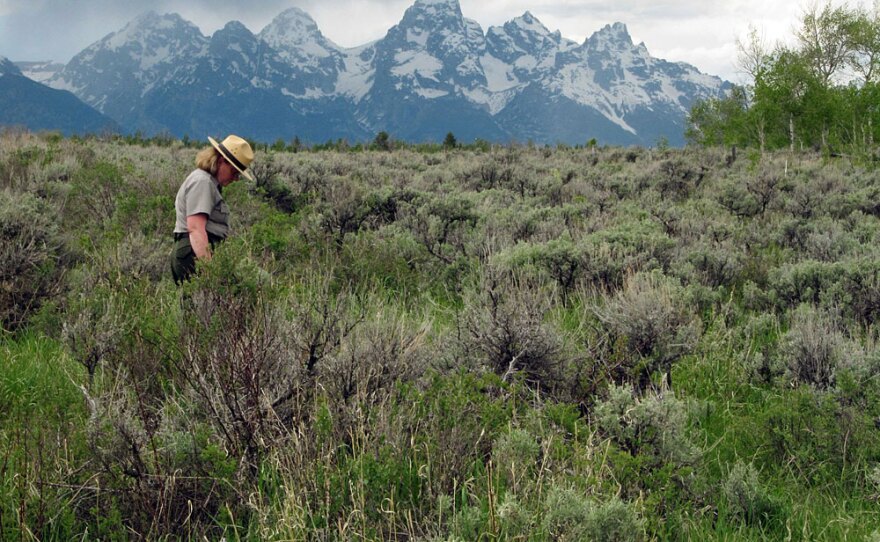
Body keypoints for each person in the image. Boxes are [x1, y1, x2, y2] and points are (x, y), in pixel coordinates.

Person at [170, 134, 255, 283]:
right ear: (222, 161)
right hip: (194, 253)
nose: (235, 179)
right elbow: (195, 229)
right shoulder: (203, 182)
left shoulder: (207, 182)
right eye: (234, 173)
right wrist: (211, 272)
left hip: (193, 252)